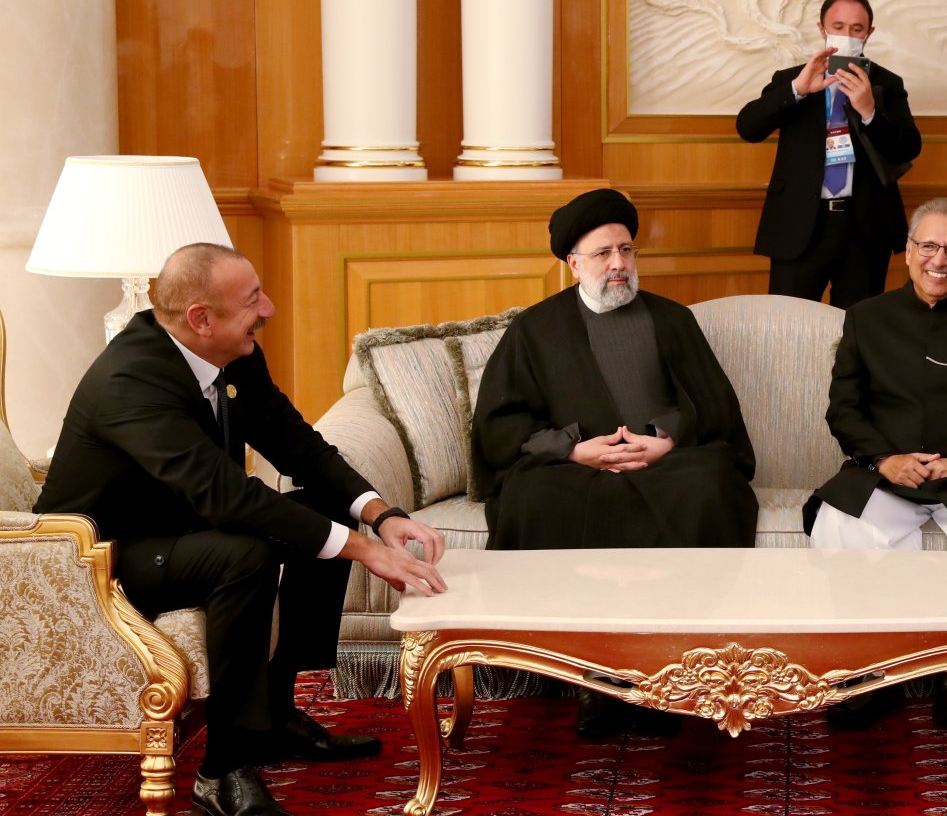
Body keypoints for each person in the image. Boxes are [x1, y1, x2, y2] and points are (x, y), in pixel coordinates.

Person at [36, 243, 447, 816]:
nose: (270, 307)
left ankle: (276, 718)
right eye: (253, 298)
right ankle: (225, 768)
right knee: (245, 553)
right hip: (98, 560)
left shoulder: (233, 353)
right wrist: (364, 552)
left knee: (308, 519)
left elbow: (298, 445)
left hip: (180, 534)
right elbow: (224, 496)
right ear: (201, 318)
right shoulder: (131, 380)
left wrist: (382, 516)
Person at [471, 187, 759, 737]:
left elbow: (714, 405)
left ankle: (673, 682)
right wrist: (573, 449)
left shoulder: (672, 320)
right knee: (533, 496)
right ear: (573, 263)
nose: (619, 264)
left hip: (665, 466)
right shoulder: (536, 329)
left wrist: (667, 439)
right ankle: (593, 684)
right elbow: (500, 425)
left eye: (626, 251)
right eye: (604, 254)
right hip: (577, 468)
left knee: (711, 484)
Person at [805, 197, 947, 730]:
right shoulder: (867, 317)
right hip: (888, 473)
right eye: (929, 246)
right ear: (908, 253)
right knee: (839, 522)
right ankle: (875, 673)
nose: (941, 259)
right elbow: (844, 409)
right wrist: (884, 459)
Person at [737, 0, 923, 309]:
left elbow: (909, 147)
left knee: (857, 329)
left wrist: (869, 112)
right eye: (838, 26)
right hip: (800, 225)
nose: (847, 35)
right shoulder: (793, 78)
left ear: (869, 34)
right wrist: (797, 90)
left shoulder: (886, 83)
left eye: (857, 29)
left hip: (864, 226)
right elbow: (748, 127)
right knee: (788, 324)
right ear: (822, 29)